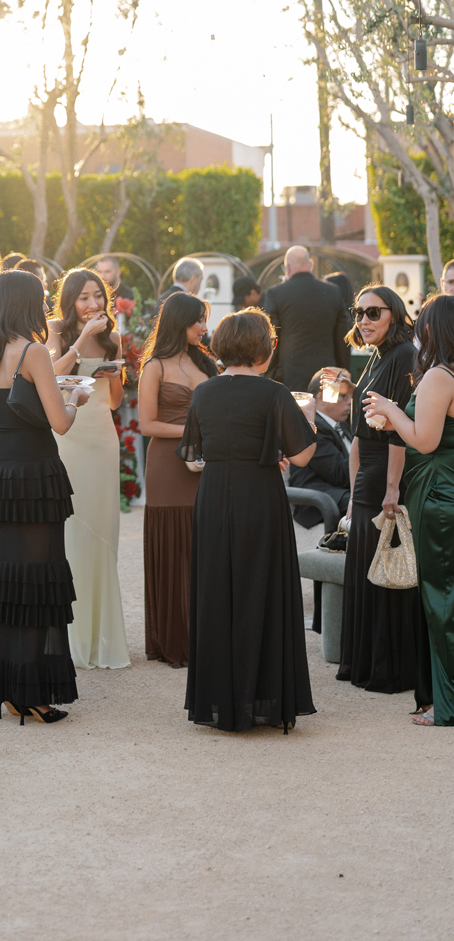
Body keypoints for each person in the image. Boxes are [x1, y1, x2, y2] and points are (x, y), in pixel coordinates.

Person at [180, 308, 317, 731]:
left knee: (217, 589)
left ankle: (219, 698)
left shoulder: (203, 392)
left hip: (216, 495)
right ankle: (264, 695)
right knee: (263, 588)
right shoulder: (275, 394)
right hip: (259, 496)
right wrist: (306, 417)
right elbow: (302, 455)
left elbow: (192, 456)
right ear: (266, 347)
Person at [0, 270, 80, 724]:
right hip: (34, 473)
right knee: (37, 579)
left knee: (8, 580)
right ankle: (33, 693)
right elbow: (60, 422)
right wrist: (75, 401)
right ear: (29, 304)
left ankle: (10, 687)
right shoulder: (34, 351)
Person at [365, 294, 454, 725]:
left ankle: (446, 702)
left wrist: (390, 408)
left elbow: (424, 440)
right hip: (445, 486)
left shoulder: (441, 375)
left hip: (438, 492)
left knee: (440, 597)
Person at [337, 284, 428, 702]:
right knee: (366, 564)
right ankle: (365, 660)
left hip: (388, 473)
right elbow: (361, 428)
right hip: (368, 475)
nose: (364, 321)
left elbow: (397, 431)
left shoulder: (405, 356)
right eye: (359, 312)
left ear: (395, 314)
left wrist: (393, 487)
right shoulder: (376, 356)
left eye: (374, 312)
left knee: (387, 567)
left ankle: (391, 667)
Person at [47, 269, 129, 670]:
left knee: (103, 529)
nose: (93, 304)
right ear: (70, 300)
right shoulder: (56, 330)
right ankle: (70, 637)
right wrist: (80, 343)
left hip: (102, 439)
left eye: (98, 296)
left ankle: (102, 637)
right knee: (71, 529)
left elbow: (114, 403)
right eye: (83, 297)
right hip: (69, 437)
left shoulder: (113, 337)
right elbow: (51, 379)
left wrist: (114, 377)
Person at [137, 292, 219, 667]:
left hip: (207, 464)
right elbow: (147, 424)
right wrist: (195, 428)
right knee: (173, 546)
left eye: (204, 320)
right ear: (178, 322)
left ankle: (207, 633)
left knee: (204, 543)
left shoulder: (209, 362)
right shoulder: (154, 365)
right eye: (197, 320)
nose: (204, 327)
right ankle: (173, 638)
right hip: (167, 465)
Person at [260, 246, 352, 389]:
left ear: (287, 268)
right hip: (327, 376)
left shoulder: (276, 294)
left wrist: (269, 375)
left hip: (289, 375)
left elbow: (271, 337)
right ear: (311, 264)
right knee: (326, 411)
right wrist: (343, 372)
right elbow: (343, 337)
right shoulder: (333, 292)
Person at [288, 369, 352, 528]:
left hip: (338, 492)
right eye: (343, 396)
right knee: (366, 503)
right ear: (322, 397)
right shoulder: (313, 426)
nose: (350, 401)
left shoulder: (343, 424)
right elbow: (339, 473)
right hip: (317, 501)